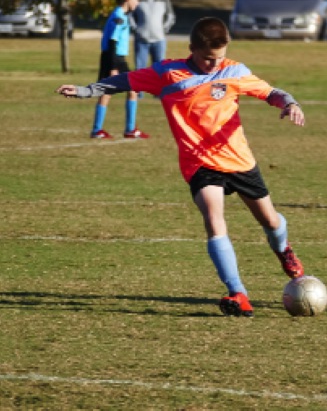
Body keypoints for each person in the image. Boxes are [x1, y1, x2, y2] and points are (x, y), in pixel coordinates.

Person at [56, 17, 305, 317]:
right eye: (208, 58)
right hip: (199, 163)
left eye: (220, 57)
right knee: (213, 220)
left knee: (271, 222)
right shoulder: (167, 72)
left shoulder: (234, 71)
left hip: (238, 160)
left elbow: (271, 92)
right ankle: (238, 293)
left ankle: (283, 250)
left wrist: (289, 103)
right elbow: (126, 80)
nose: (214, 64)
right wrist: (87, 90)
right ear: (192, 49)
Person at [90, 0, 149, 139]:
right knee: (119, 90)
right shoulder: (119, 17)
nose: (137, 3)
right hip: (114, 58)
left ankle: (104, 129)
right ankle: (116, 129)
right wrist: (113, 66)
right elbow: (112, 41)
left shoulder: (120, 14)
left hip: (114, 57)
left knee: (124, 90)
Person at [131, 0, 176, 70]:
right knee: (140, 70)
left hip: (159, 40)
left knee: (159, 70)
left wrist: (163, 30)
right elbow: (130, 16)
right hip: (141, 41)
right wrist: (136, 30)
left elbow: (170, 16)